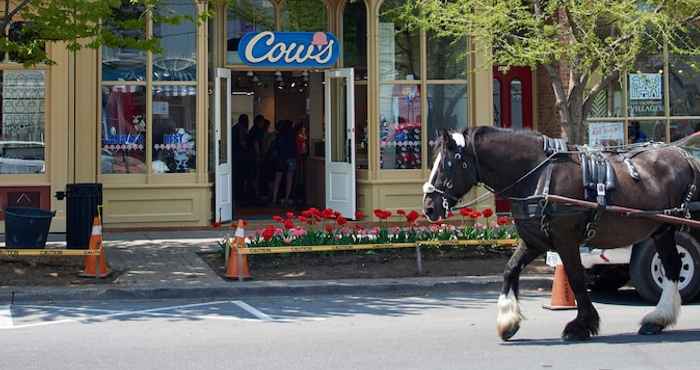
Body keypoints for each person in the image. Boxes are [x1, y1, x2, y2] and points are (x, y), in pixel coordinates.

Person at [271, 120, 298, 206]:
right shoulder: (292, 134)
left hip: (280, 159)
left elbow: (274, 149)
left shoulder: (278, 136)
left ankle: (274, 199)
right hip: (291, 158)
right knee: (289, 179)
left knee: (277, 179)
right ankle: (287, 198)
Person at [232, 114, 254, 203]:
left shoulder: (235, 128)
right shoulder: (241, 128)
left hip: (235, 156)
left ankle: (237, 196)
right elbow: (242, 143)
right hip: (241, 157)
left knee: (237, 178)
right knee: (241, 178)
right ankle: (241, 197)